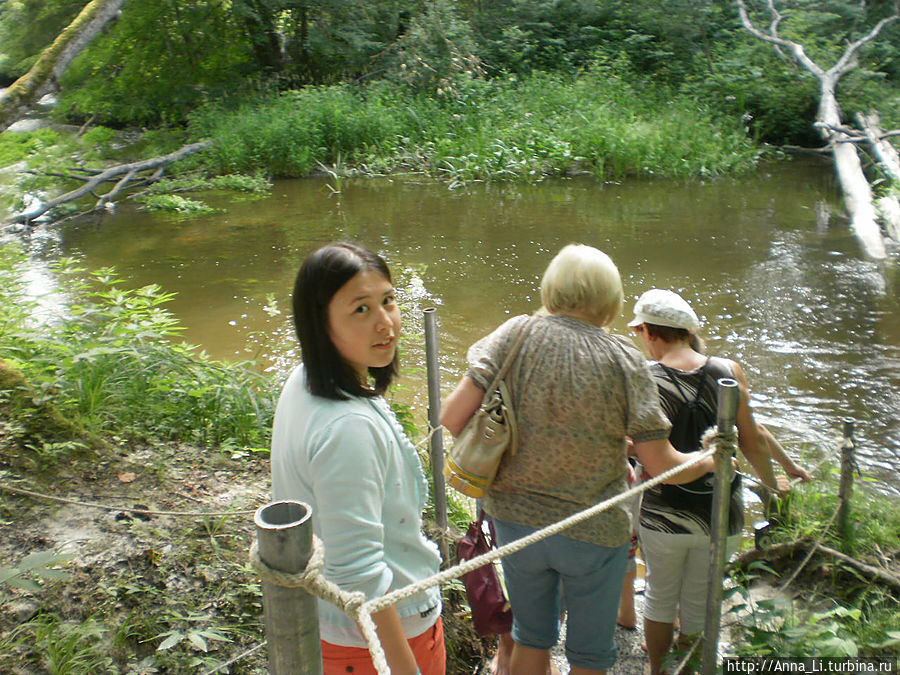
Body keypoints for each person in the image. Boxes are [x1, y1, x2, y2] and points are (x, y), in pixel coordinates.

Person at [440, 245, 718, 675]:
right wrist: (708, 459)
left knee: (531, 638)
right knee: (590, 654)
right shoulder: (624, 358)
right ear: (610, 300)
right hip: (594, 528)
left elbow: (452, 417)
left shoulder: (514, 333)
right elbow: (662, 465)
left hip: (516, 522)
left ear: (552, 287)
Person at [270, 242, 445, 675]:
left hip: (336, 629)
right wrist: (403, 667)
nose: (386, 323)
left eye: (388, 300)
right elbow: (360, 574)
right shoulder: (347, 427)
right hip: (379, 643)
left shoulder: (304, 381)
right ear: (320, 322)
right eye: (361, 310)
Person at [627, 288, 796, 675]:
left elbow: (635, 448)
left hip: (663, 514)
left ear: (651, 332)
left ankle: (658, 670)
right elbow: (752, 441)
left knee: (659, 598)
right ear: (687, 331)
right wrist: (772, 492)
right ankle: (689, 668)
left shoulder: (645, 378)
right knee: (700, 601)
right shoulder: (729, 371)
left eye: (640, 333)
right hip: (721, 513)